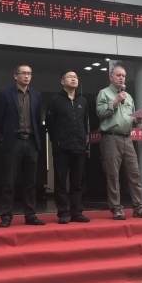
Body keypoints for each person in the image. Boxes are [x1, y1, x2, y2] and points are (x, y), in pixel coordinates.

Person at [96, 64, 142, 220]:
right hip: (111, 137)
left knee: (134, 173)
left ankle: (139, 207)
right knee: (113, 174)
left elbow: (130, 118)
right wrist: (116, 101)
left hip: (127, 137)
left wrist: (137, 120)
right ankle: (116, 208)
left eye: (123, 75)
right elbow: (100, 112)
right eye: (118, 75)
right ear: (111, 77)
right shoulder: (104, 93)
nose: (121, 78)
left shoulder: (128, 96)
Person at [0, 65, 46, 227]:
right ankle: (6, 216)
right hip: (13, 141)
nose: (27, 76)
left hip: (31, 142)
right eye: (23, 73)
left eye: (29, 73)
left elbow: (37, 119)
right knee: (9, 181)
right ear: (15, 76)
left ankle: (30, 215)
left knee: (31, 182)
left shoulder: (36, 95)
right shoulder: (5, 94)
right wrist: (7, 135)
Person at [45, 70, 91, 224]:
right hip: (61, 147)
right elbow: (50, 124)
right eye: (70, 77)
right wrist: (57, 140)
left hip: (79, 146)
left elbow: (84, 122)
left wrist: (83, 140)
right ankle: (63, 212)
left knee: (77, 181)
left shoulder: (82, 101)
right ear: (62, 81)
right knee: (60, 181)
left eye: (75, 77)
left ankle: (76, 212)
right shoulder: (55, 100)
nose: (73, 79)